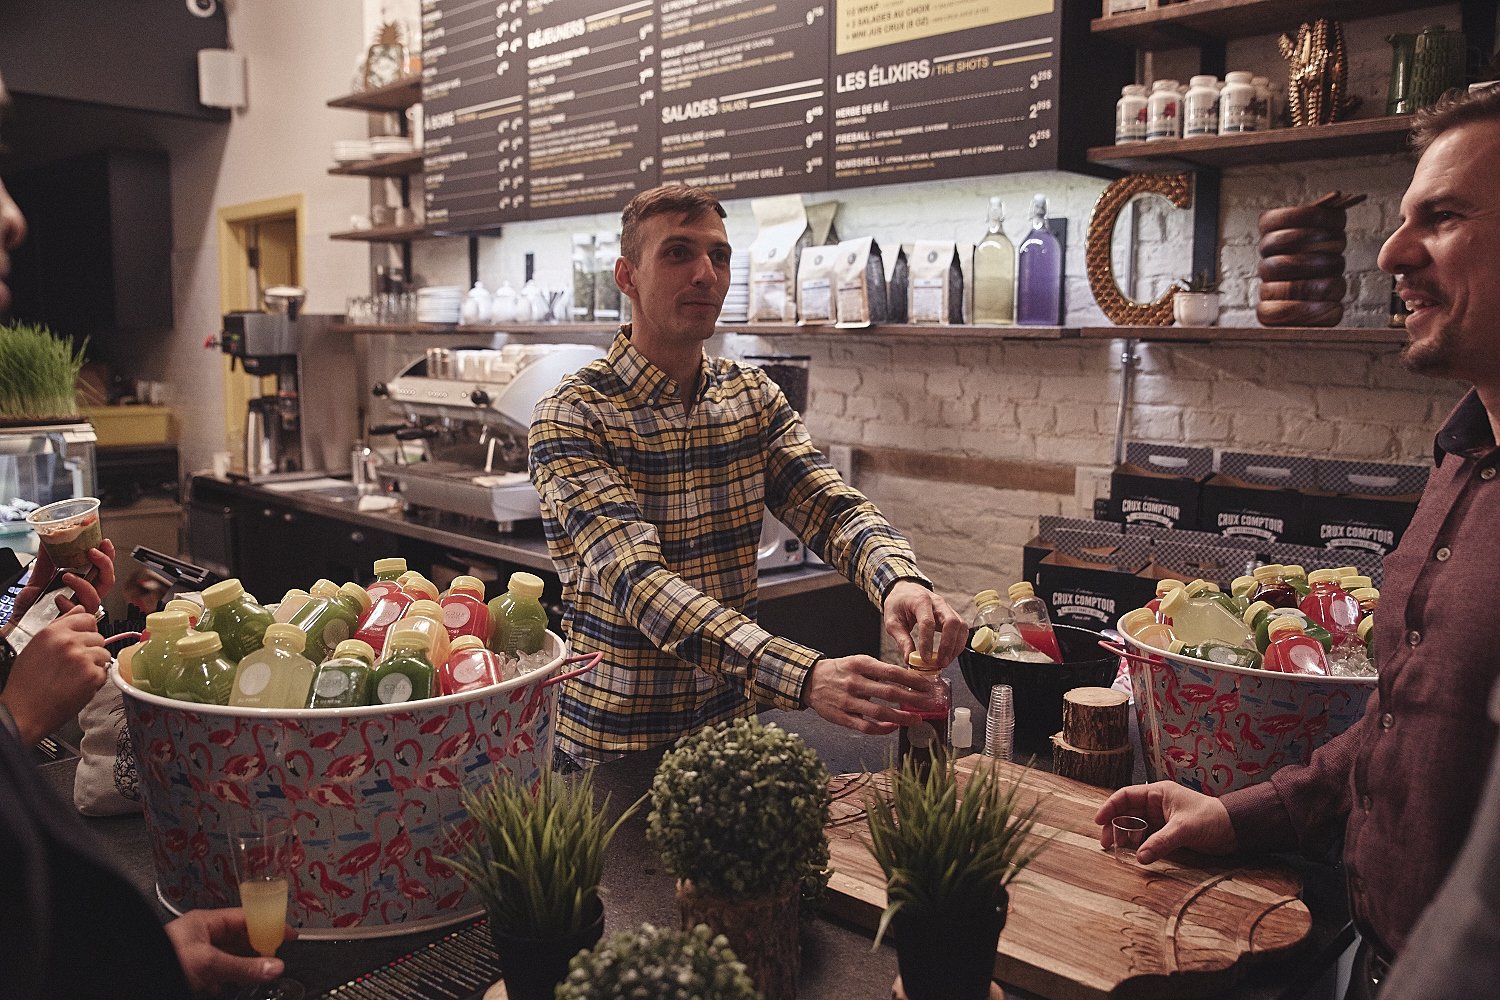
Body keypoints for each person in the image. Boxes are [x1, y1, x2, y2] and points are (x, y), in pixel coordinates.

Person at [1096, 85, 1500, 998]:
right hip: (1375, 957)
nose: (1393, 253)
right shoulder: (1460, 458)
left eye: (1442, 218)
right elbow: (1403, 721)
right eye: (1400, 221)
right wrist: (1239, 817)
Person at [530, 185, 964, 766]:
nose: (705, 273)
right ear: (626, 276)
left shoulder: (751, 397)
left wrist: (900, 582)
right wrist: (806, 677)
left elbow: (831, 509)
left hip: (730, 739)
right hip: (614, 750)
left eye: (720, 255)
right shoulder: (575, 415)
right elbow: (641, 585)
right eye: (678, 253)